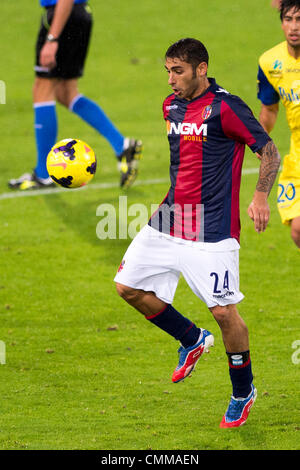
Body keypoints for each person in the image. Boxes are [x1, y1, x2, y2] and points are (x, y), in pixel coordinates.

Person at [114, 38, 281, 428]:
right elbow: (182, 166)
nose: (171, 80)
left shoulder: (226, 107)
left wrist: (259, 197)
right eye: (168, 71)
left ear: (201, 69)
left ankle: (243, 391)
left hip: (213, 230)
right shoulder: (170, 107)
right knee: (128, 287)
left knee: (224, 312)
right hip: (170, 219)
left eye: (178, 71)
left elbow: (268, 151)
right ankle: (191, 338)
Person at [9, 0, 142, 191]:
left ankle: (44, 175)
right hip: (76, 14)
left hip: (62, 16)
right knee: (66, 92)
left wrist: (52, 39)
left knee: (42, 89)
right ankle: (122, 146)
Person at [258, 0, 300, 248]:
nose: (294, 27)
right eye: (289, 20)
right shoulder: (270, 62)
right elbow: (269, 109)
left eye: (299, 19)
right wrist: (259, 142)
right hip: (297, 158)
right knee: (297, 230)